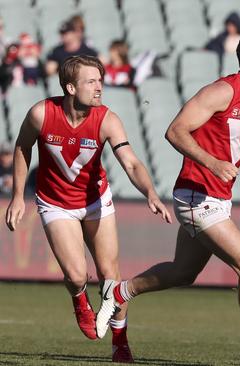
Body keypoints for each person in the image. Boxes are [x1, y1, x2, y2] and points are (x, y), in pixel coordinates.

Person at [97, 30, 240, 366]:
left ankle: (120, 291)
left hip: (217, 198)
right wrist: (212, 162)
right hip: (196, 196)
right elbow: (175, 130)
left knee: (183, 273)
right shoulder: (222, 91)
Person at [4, 55, 172, 362]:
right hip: (55, 203)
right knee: (78, 275)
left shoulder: (107, 119)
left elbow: (131, 162)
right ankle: (79, 299)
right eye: (91, 81)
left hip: (96, 202)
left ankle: (119, 342)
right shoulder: (41, 113)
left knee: (111, 278)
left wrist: (151, 193)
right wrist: (17, 195)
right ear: (70, 87)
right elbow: (22, 147)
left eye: (100, 80)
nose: (99, 88)